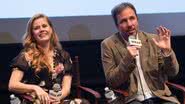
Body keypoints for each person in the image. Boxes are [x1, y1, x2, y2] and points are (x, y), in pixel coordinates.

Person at [101, 2, 180, 104]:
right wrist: (128, 58)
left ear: (137, 19)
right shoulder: (108, 45)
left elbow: (172, 72)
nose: (129, 24)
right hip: (131, 99)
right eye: (123, 21)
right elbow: (112, 81)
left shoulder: (153, 40)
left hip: (160, 96)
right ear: (117, 25)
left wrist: (167, 52)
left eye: (132, 18)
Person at [8, 13, 89, 104]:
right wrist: (35, 88)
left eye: (44, 26)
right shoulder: (25, 56)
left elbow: (66, 88)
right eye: (36, 28)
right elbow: (12, 85)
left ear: (51, 29)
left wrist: (58, 98)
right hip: (35, 100)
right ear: (32, 34)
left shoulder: (64, 56)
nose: (41, 29)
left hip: (57, 100)